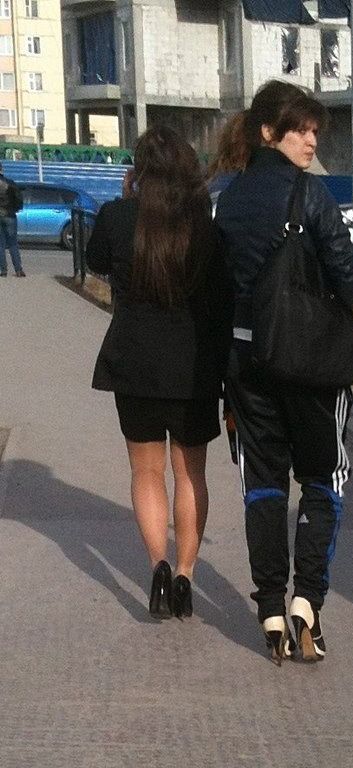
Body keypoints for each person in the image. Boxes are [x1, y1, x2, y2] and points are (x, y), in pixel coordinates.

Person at [215, 80, 353, 664]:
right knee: (324, 481)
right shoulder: (312, 196)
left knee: (263, 485)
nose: (310, 141)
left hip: (247, 364)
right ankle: (307, 601)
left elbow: (219, 290)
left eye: (314, 132)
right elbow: (351, 283)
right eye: (300, 131)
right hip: (312, 368)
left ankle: (270, 608)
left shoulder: (230, 199)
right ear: (268, 132)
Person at [86, 125, 233, 620]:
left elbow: (95, 260)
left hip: (134, 363)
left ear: (139, 171)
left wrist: (127, 200)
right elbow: (222, 299)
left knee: (145, 471)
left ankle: (158, 565)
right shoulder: (205, 227)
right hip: (193, 368)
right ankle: (187, 571)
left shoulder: (116, 215)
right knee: (190, 472)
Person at [0, 163, 25, 277]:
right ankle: (18, 269)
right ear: (1, 169)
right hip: (10, 215)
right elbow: (19, 199)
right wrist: (15, 209)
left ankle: (3, 270)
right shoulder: (10, 183)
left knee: (0, 244)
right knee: (13, 243)